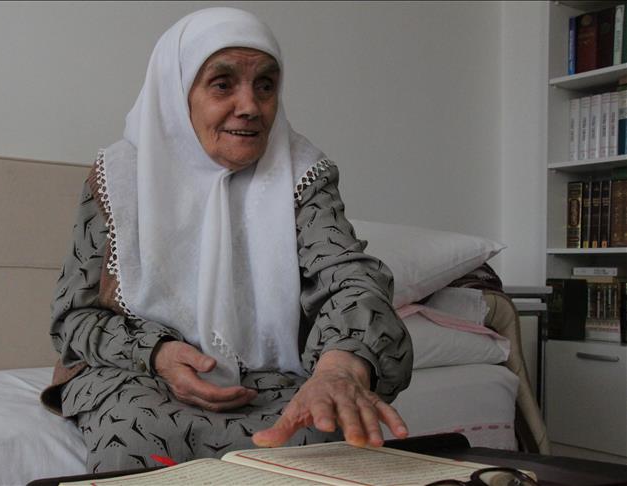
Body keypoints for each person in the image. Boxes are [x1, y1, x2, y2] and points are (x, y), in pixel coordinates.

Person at [41, 7, 413, 473]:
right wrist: (158, 353)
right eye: (222, 84)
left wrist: (338, 369)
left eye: (265, 85)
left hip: (269, 382)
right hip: (139, 376)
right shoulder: (119, 179)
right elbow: (73, 317)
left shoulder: (302, 175)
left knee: (319, 434)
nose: (250, 106)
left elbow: (349, 278)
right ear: (178, 92)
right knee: (139, 431)